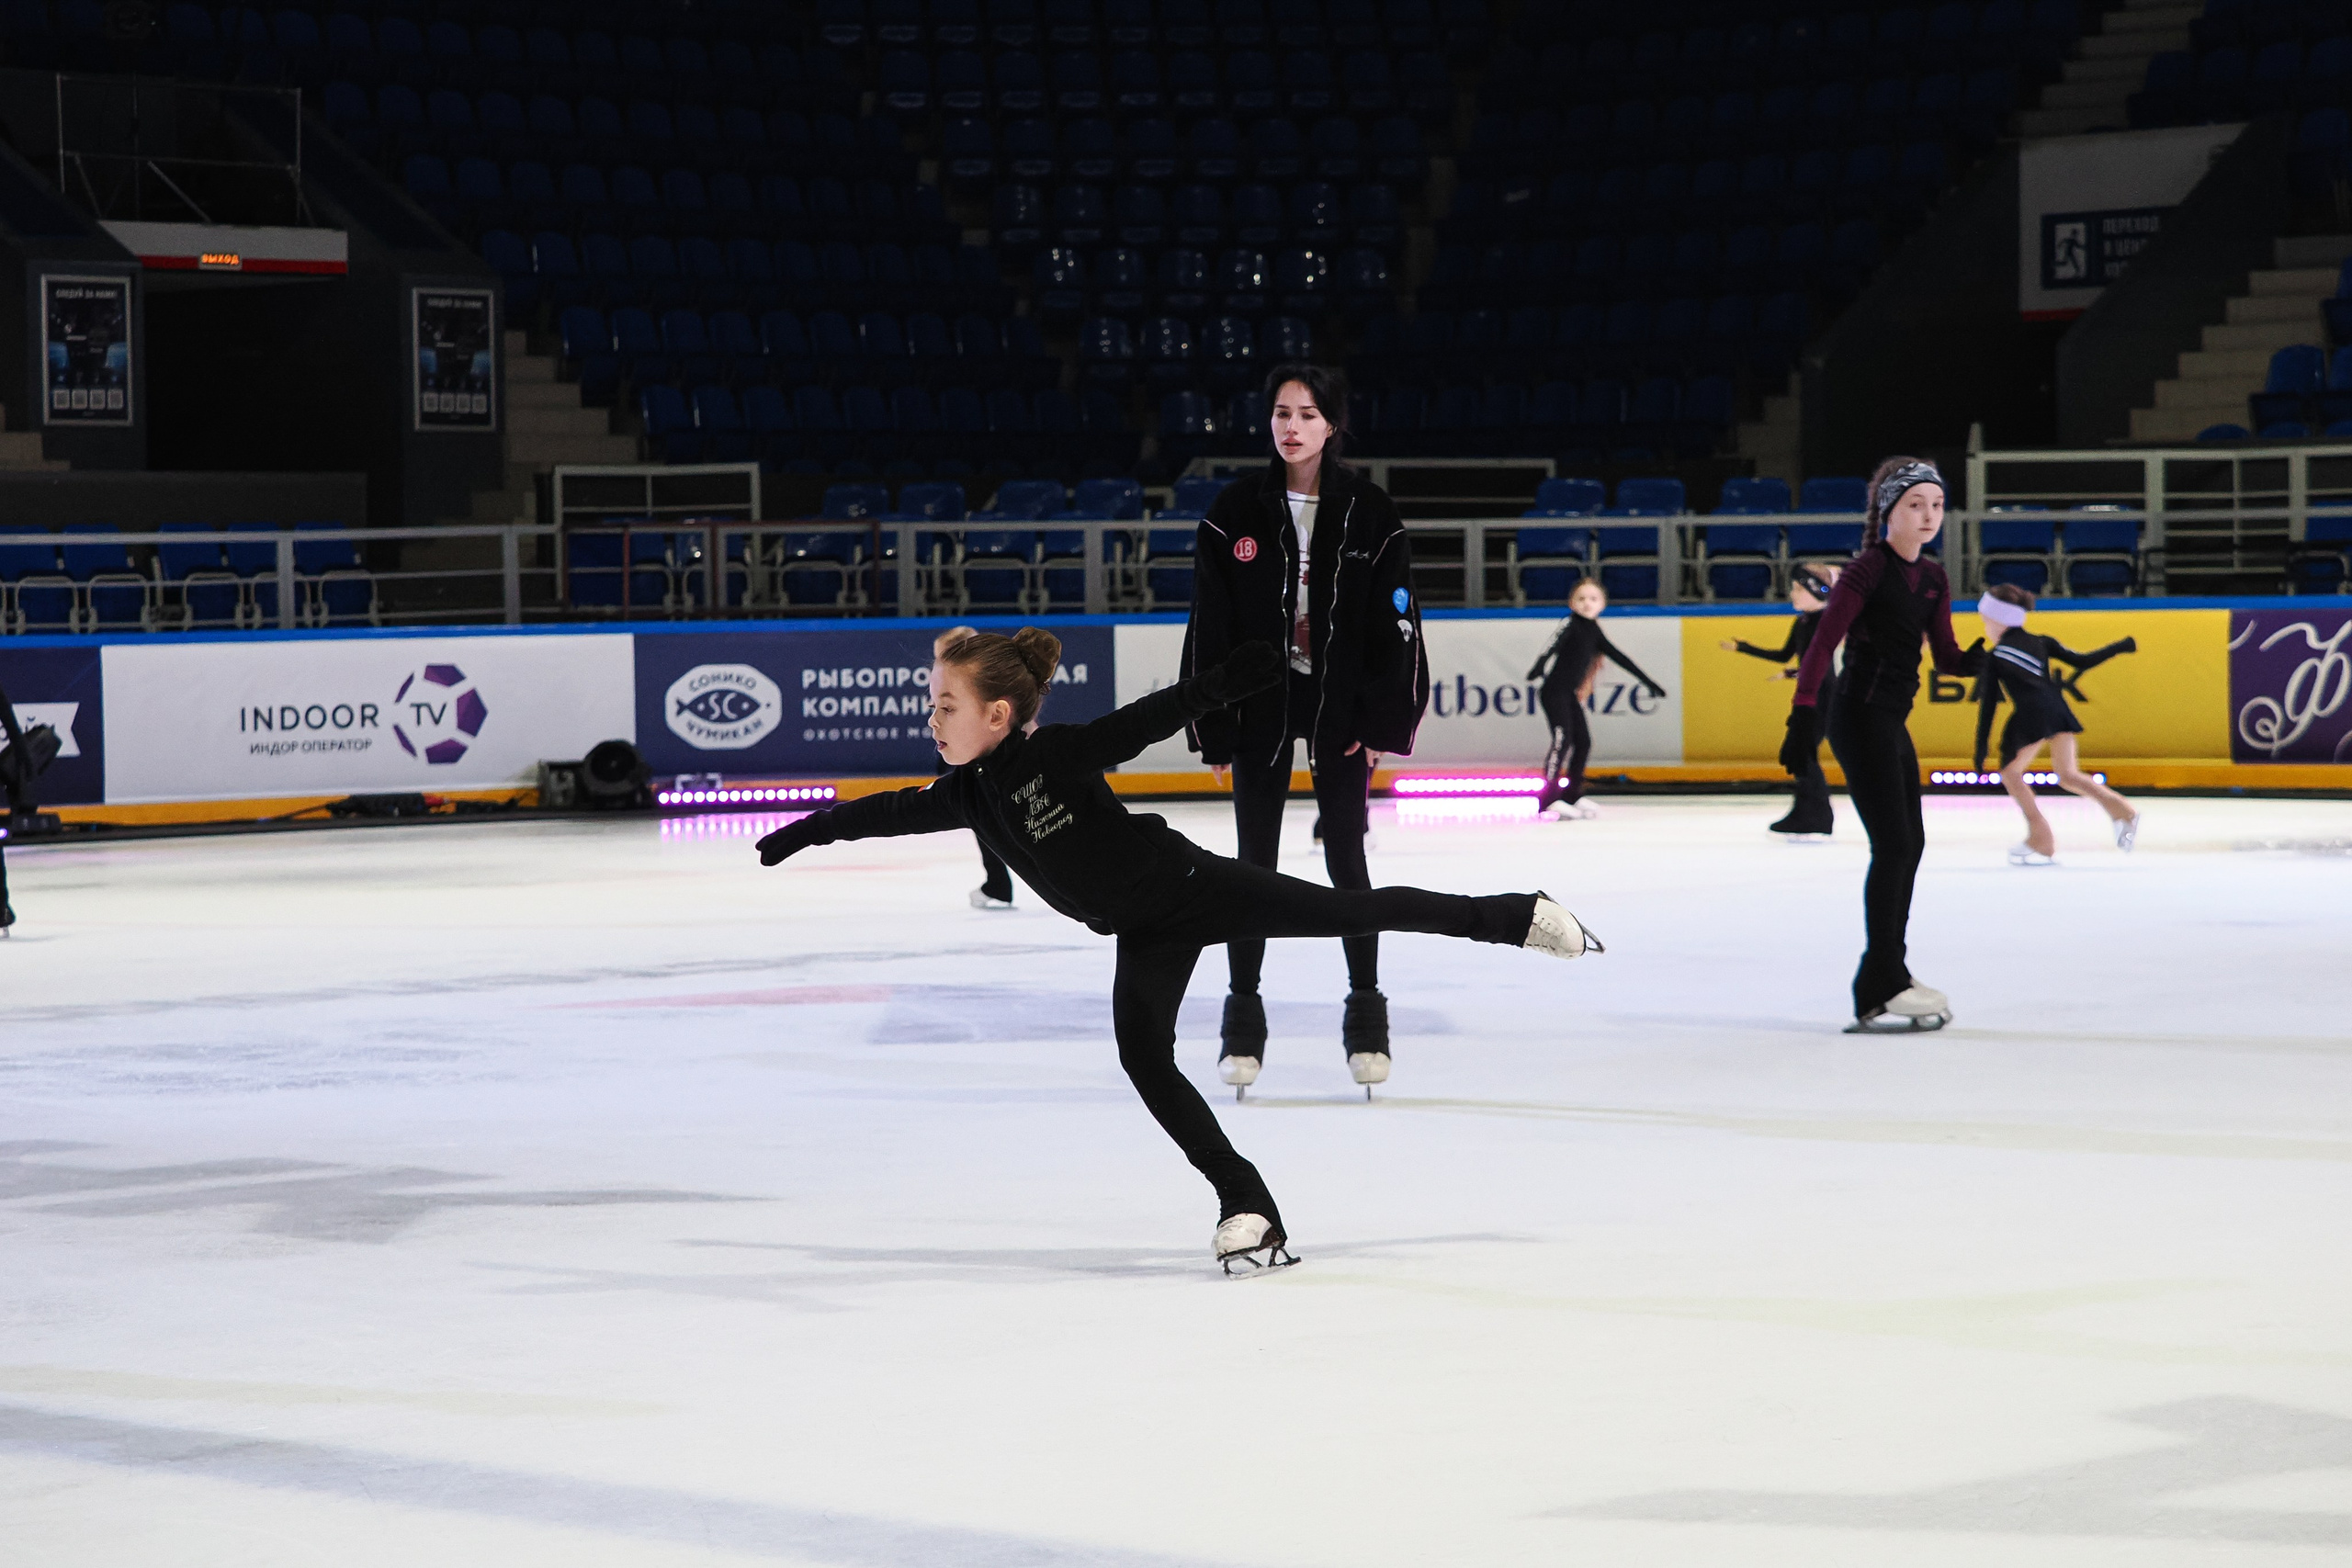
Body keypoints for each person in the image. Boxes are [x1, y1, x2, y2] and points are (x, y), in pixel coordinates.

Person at [755, 629, 1601, 1273]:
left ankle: (1518, 915)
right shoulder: (972, 794)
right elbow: (887, 809)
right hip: (1143, 930)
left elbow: (1143, 722)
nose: (931, 717)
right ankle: (1250, 1204)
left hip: (1195, 886)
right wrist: (805, 830)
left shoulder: (1053, 757)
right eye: (932, 703)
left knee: (1356, 908)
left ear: (997, 715)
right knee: (1143, 1055)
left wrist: (1230, 680)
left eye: (944, 704)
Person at [1182, 362, 1430, 1096]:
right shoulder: (1234, 511)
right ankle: (1243, 1019)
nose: (1292, 427)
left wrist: (1385, 719)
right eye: (1282, 413)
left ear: (1333, 425)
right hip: (1261, 703)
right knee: (1251, 864)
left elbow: (1400, 623)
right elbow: (1209, 624)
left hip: (1342, 709)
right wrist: (1214, 729)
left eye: (1308, 414)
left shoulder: (1371, 512)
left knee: (1346, 857)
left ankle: (1366, 1015)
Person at [1781, 457, 1984, 1033]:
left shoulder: (1934, 578)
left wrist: (1983, 660)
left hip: (1892, 721)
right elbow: (1822, 645)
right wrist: (1802, 720)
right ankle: (1879, 984)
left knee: (1910, 844)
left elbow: (1945, 655)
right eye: (1915, 505)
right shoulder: (1867, 570)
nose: (1928, 516)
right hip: (1858, 718)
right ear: (1888, 512)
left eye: (1937, 505)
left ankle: (1889, 971)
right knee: (1893, 847)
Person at [1969, 583, 2141, 865]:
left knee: (2011, 775)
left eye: (1987, 620)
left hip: (2032, 714)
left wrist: (1980, 749)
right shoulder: (2041, 642)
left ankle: (2041, 838)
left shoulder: (1996, 656)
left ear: (1999, 619)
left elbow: (1988, 706)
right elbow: (2082, 661)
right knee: (2068, 774)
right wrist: (2120, 647)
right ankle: (2124, 811)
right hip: (2057, 709)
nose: (1986, 626)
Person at [1526, 577, 1668, 820]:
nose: (1586, 603)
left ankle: (1572, 794)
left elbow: (1619, 657)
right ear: (1571, 603)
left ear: (1602, 604)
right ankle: (1548, 800)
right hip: (1554, 691)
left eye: (1593, 599)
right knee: (1563, 741)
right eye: (1581, 599)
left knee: (1584, 742)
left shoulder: (1594, 631)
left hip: (1568, 694)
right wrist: (1539, 666)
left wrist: (1648, 681)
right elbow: (1552, 644)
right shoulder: (1570, 623)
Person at [1720, 563, 1840, 837]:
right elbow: (1785, 654)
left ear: (1816, 592)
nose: (1792, 594)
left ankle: (1819, 815)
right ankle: (1804, 812)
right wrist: (1744, 648)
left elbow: (1821, 663)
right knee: (1800, 755)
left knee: (1802, 754)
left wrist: (1796, 672)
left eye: (1799, 589)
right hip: (1808, 693)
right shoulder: (1802, 622)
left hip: (1823, 695)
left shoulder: (1825, 622)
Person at [932, 625, 1019, 909]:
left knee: (989, 821)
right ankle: (997, 884)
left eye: (941, 658)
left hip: (988, 762)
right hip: (987, 762)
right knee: (986, 821)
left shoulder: (978, 690)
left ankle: (998, 885)